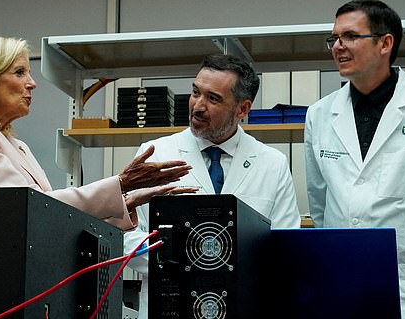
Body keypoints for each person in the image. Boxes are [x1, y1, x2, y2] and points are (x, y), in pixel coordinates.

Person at [0, 35, 193, 229]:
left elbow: (56, 216)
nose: (32, 83)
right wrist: (120, 184)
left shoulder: (17, 146)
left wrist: (127, 200)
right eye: (19, 72)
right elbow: (31, 207)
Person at [124, 54, 301, 318]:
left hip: (244, 306)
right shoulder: (156, 154)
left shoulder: (272, 164)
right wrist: (188, 262)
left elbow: (285, 246)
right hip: (171, 304)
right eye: (196, 92)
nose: (197, 106)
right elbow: (126, 236)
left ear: (242, 109)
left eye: (213, 98)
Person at [305, 0, 405, 318]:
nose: (338, 46)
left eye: (351, 36)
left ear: (385, 43)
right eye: (334, 38)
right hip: (345, 280)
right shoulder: (320, 115)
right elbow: (320, 202)